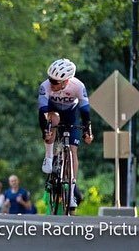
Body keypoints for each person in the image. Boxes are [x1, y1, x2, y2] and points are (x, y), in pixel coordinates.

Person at [38, 58, 93, 209]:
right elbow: (42, 111)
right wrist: (45, 131)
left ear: (66, 81)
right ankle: (49, 157)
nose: (52, 83)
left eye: (55, 81)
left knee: (73, 150)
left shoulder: (78, 86)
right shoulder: (45, 86)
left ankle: (72, 190)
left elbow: (85, 111)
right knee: (53, 119)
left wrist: (88, 131)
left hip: (70, 112)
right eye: (50, 79)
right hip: (52, 109)